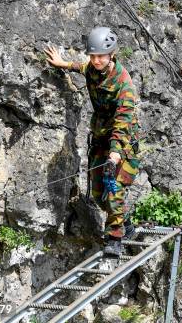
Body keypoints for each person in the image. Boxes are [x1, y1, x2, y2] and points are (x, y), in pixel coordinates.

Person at [44, 27, 140, 256]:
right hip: (100, 139)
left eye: (101, 56)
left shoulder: (124, 86)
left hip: (122, 144)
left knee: (114, 191)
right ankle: (126, 225)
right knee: (98, 194)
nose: (96, 61)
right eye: (93, 56)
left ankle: (114, 240)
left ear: (112, 55)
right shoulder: (93, 69)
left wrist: (116, 152)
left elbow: (123, 123)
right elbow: (82, 67)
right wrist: (63, 63)